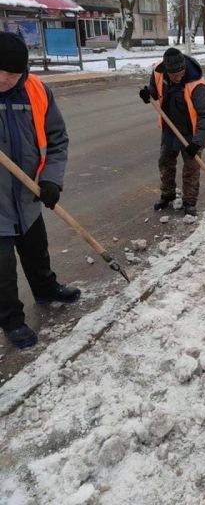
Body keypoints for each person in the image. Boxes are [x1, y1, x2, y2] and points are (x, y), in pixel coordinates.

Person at [0, 32, 80, 349]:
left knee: (36, 250)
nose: (6, 81)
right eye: (1, 74)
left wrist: (51, 179)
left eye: (13, 75)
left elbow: (57, 139)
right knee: (2, 269)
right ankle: (11, 320)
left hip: (28, 195)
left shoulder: (36, 90)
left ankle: (45, 289)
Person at [139, 47, 205, 217]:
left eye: (181, 74)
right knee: (165, 163)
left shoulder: (196, 84)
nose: (178, 78)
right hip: (169, 129)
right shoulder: (159, 72)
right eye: (174, 76)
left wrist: (197, 142)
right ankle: (167, 195)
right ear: (167, 71)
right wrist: (147, 94)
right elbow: (154, 91)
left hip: (191, 134)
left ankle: (189, 202)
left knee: (191, 169)